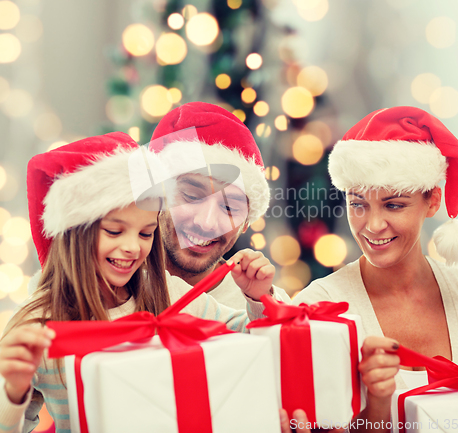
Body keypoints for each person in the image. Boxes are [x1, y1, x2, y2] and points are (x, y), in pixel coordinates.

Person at [0, 132, 278, 432]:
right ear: (74, 233)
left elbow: (253, 341)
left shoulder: (169, 293)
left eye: (146, 233)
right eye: (115, 232)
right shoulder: (37, 325)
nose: (134, 247)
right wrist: (12, 394)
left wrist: (256, 298)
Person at [293, 107, 458, 431]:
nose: (373, 225)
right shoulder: (319, 306)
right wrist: (376, 403)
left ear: (432, 201)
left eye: (393, 205)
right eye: (358, 203)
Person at [149, 102, 291, 308]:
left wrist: (263, 305)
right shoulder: (112, 286)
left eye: (229, 208)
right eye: (191, 196)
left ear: (246, 223)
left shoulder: (265, 305)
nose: (206, 223)